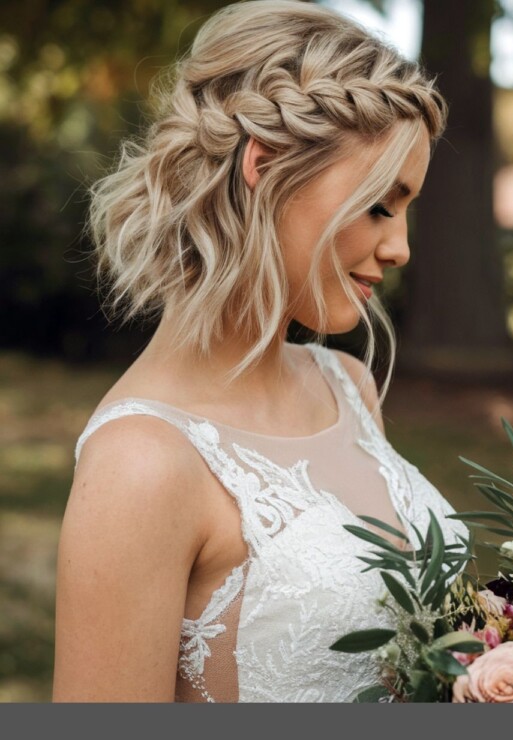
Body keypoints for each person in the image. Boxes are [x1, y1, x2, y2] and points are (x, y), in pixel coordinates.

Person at [53, 0, 467, 703]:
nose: (399, 248)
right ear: (266, 163)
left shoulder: (348, 385)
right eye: (379, 205)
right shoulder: (142, 465)